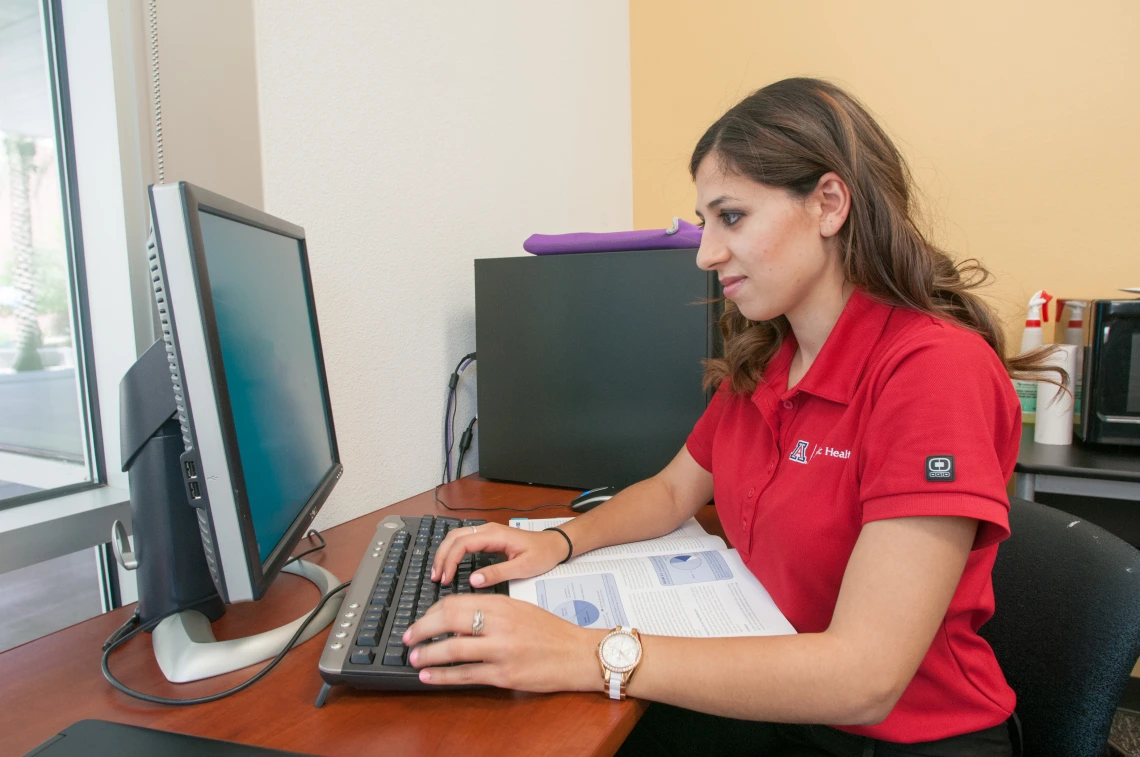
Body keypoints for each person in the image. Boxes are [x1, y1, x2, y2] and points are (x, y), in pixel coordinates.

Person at [404, 78, 1058, 756]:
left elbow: (865, 678)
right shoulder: (768, 360)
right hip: (778, 704)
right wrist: (561, 541)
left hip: (902, 739)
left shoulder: (931, 370)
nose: (705, 252)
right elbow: (670, 491)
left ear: (829, 203)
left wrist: (584, 652)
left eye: (732, 217)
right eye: (705, 221)